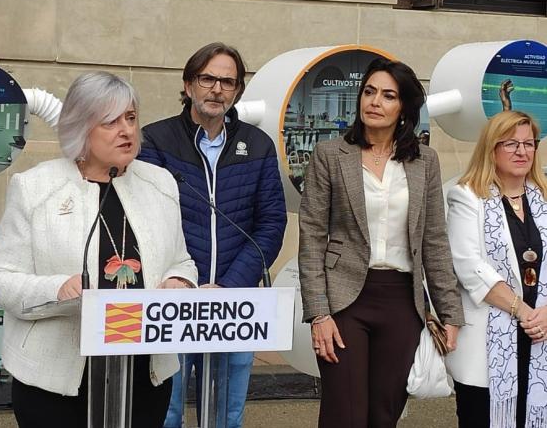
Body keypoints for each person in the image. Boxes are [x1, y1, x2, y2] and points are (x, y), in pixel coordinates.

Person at [0, 71, 198, 428]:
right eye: (110, 121)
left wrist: (180, 280)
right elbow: (1, 281)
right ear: (80, 127)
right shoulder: (36, 188)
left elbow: (182, 260)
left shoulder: (160, 183)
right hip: (57, 382)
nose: (127, 130)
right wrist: (58, 289)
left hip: (143, 375)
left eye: (130, 118)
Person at [298, 58, 464, 427]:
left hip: (403, 301)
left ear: (403, 107)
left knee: (384, 415)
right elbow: (311, 237)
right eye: (369, 92)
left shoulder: (425, 161)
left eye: (388, 95)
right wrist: (319, 313)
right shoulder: (330, 155)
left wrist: (449, 313)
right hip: (344, 300)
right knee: (345, 414)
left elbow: (435, 240)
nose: (375, 101)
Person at [139, 42, 286, 428]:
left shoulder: (258, 145)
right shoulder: (155, 140)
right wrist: (182, 279)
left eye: (227, 82)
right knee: (164, 415)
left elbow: (270, 224)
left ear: (237, 90)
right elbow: (148, 220)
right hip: (172, 299)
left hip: (233, 304)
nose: (216, 89)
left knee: (224, 416)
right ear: (188, 85)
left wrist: (229, 285)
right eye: (207, 79)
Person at [445, 110, 547, 427]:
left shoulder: (544, 197)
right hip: (488, 347)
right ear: (491, 148)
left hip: (540, 338)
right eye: (511, 144)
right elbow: (468, 265)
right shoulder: (466, 197)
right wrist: (523, 311)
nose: (522, 151)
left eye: (529, 144)